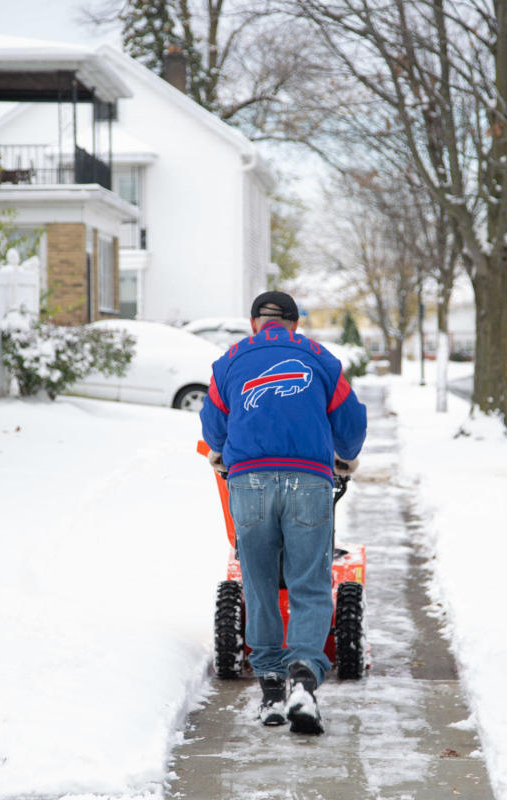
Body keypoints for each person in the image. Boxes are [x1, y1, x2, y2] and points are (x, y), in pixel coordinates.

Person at [199, 291, 367, 735]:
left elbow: (213, 425)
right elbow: (351, 422)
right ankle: (303, 681)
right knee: (310, 583)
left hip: (248, 483)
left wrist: (221, 454)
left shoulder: (228, 361)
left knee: (256, 582)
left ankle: (271, 689)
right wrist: (345, 457)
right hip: (310, 481)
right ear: (294, 323)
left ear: (255, 322)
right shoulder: (321, 359)